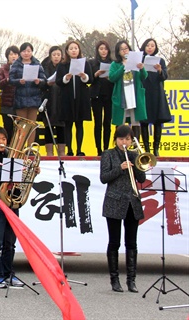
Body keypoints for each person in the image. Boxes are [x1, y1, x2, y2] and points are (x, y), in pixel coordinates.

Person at [0, 126, 33, 288]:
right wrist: (6, 171)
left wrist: (30, 171)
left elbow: (17, 179)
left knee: (10, 242)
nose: (2, 142)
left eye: (4, 139)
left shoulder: (12, 155)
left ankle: (9, 274)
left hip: (11, 203)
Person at [100, 124, 145, 293]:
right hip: (114, 201)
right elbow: (104, 178)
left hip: (132, 203)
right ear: (115, 140)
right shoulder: (108, 154)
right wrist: (120, 168)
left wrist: (138, 163)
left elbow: (141, 178)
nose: (124, 142)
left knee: (131, 243)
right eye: (121, 139)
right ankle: (115, 279)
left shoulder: (134, 155)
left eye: (127, 139)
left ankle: (131, 280)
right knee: (114, 242)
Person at [56, 40, 93, 156]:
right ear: (67, 51)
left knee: (79, 124)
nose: (73, 50)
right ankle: (70, 150)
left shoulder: (85, 63)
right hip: (67, 99)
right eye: (71, 48)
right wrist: (66, 78)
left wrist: (84, 76)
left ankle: (79, 150)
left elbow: (90, 79)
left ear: (79, 50)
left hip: (81, 99)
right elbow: (58, 81)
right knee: (68, 125)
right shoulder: (62, 65)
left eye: (76, 48)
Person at [9, 42, 47, 146]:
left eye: (29, 51)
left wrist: (39, 81)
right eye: (24, 51)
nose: (26, 53)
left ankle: (30, 148)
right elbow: (11, 79)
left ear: (32, 52)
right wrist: (18, 81)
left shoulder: (37, 64)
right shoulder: (16, 64)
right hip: (20, 99)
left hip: (34, 98)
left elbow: (44, 79)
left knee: (31, 125)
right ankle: (20, 148)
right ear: (20, 52)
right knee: (22, 126)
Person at [108, 40, 148, 141]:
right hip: (122, 97)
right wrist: (123, 67)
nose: (124, 51)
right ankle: (119, 146)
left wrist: (142, 68)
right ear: (118, 52)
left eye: (126, 48)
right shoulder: (115, 64)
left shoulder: (136, 62)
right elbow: (112, 77)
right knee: (120, 122)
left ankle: (136, 146)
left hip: (134, 96)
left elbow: (144, 76)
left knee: (136, 122)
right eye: (122, 49)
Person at [139, 38, 171, 156]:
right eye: (148, 45)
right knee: (144, 121)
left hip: (157, 93)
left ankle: (156, 148)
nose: (150, 47)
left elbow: (164, 76)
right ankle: (146, 148)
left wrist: (159, 70)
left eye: (152, 45)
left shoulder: (160, 61)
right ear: (144, 47)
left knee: (158, 121)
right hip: (144, 92)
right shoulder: (140, 59)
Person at [89, 40, 114, 156]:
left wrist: (111, 77)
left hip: (109, 95)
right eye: (101, 49)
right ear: (97, 50)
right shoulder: (92, 63)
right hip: (96, 95)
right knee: (98, 123)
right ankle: (99, 150)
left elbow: (116, 78)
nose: (103, 51)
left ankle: (106, 149)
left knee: (107, 123)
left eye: (105, 49)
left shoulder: (113, 63)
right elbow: (88, 80)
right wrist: (96, 75)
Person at [40, 46, 65, 156]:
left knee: (61, 127)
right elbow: (40, 82)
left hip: (61, 100)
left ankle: (62, 152)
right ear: (50, 56)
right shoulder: (44, 66)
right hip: (48, 99)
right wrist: (46, 83)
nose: (56, 57)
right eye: (54, 55)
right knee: (48, 126)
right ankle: (49, 152)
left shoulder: (65, 66)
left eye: (58, 55)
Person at [0, 45, 20, 142]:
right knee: (8, 129)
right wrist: (7, 80)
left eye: (15, 54)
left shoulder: (22, 68)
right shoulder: (3, 69)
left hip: (20, 103)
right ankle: (7, 151)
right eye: (11, 54)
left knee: (19, 131)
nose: (13, 56)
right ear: (7, 56)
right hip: (6, 104)